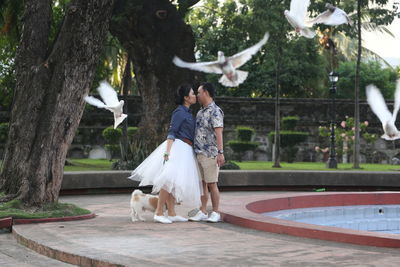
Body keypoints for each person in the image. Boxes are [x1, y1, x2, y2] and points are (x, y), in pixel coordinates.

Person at [129, 84, 202, 224]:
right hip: (178, 147)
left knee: (173, 183)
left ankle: (172, 213)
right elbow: (172, 132)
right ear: (186, 98)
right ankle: (158, 212)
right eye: (192, 93)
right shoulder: (179, 112)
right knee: (168, 180)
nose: (195, 96)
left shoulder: (188, 112)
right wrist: (167, 152)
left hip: (186, 148)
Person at [189, 82, 225, 223]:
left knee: (212, 183)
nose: (197, 95)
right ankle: (203, 210)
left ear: (206, 93)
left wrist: (220, 152)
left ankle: (215, 212)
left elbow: (219, 132)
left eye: (199, 92)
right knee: (202, 183)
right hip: (199, 152)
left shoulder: (215, 111)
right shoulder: (200, 112)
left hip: (210, 153)